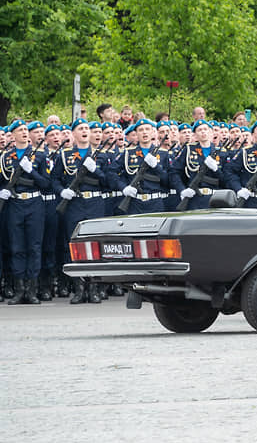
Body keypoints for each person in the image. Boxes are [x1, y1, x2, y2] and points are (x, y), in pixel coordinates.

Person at [50, 118, 110, 303]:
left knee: (95, 246)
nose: (85, 131)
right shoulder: (64, 155)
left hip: (95, 204)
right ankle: (78, 289)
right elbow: (54, 179)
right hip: (74, 204)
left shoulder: (101, 155)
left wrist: (97, 171)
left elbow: (109, 182)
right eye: (80, 129)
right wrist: (62, 191)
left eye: (87, 128)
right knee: (75, 247)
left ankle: (94, 289)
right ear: (73, 133)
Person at [0, 120, 51, 305]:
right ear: (12, 135)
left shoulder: (39, 156)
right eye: (19, 130)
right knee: (16, 248)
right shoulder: (5, 157)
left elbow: (46, 183)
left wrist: (33, 172)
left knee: (34, 247)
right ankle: (19, 290)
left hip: (34, 203)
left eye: (24, 130)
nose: (23, 132)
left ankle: (32, 290)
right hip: (14, 204)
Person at [108, 119, 169, 214]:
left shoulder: (163, 154)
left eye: (147, 129)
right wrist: (123, 188)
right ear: (136, 134)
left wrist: (156, 167)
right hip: (135, 203)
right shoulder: (128, 153)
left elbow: (168, 180)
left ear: (153, 133)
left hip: (155, 202)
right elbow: (111, 173)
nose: (144, 132)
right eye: (141, 130)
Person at [168, 120, 226, 211]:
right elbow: (174, 172)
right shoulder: (189, 150)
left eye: (205, 129)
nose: (203, 132)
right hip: (195, 199)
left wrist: (216, 169)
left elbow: (226, 180)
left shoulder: (221, 153)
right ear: (194, 135)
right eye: (199, 130)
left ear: (211, 132)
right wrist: (182, 190)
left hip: (215, 199)